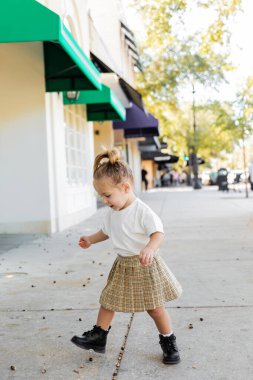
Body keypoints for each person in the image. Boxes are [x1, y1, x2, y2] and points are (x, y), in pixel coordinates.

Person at [71, 148, 182, 365]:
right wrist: (91, 239)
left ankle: (169, 342)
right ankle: (99, 337)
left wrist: (150, 247)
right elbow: (107, 231)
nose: (105, 200)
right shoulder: (112, 212)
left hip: (144, 265)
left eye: (107, 195)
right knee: (108, 301)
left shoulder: (142, 211)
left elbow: (158, 233)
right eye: (101, 196)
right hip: (122, 265)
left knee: (155, 308)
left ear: (126, 187)